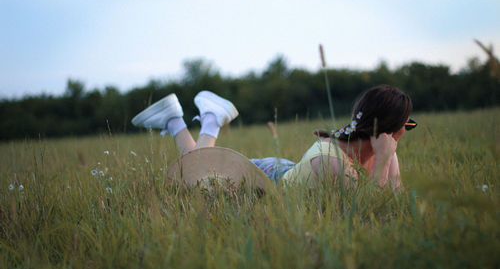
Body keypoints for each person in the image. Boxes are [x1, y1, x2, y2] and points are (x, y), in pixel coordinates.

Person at [131, 85, 416, 188]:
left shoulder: (387, 154)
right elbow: (367, 208)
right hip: (267, 180)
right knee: (193, 181)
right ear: (392, 129)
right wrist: (384, 159)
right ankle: (209, 120)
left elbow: (393, 201)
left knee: (197, 175)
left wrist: (387, 157)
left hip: (286, 171)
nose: (406, 131)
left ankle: (175, 121)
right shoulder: (333, 161)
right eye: (407, 125)